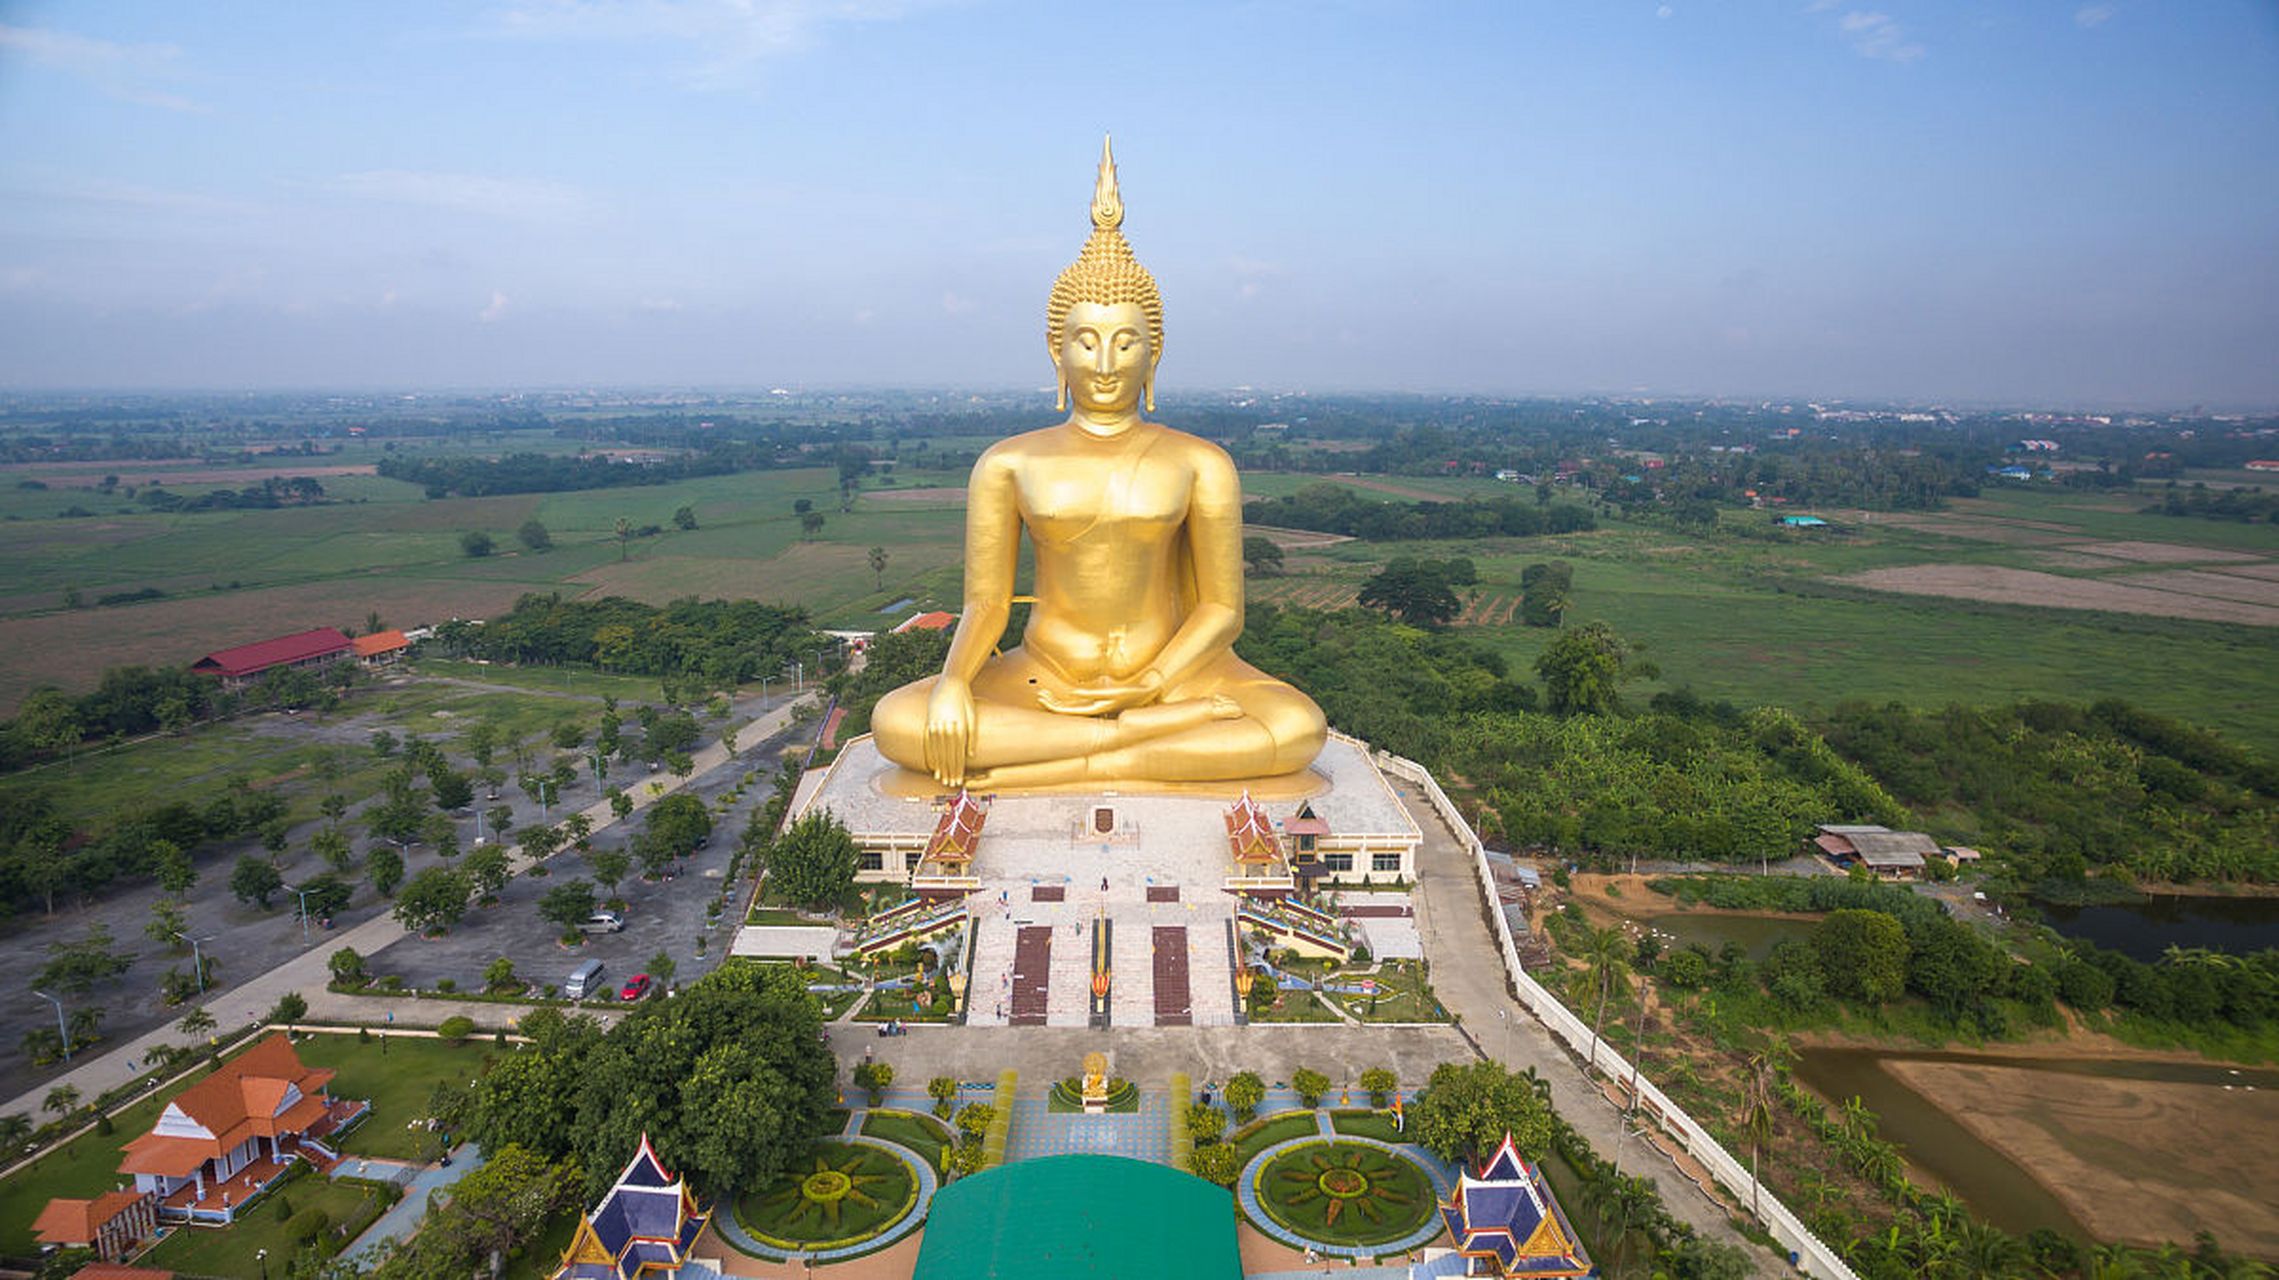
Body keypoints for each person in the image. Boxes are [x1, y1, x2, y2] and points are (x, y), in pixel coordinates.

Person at [870, 139, 1326, 790]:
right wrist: (951, 683)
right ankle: (1124, 744)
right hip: (1045, 673)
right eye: (1085, 342)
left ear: (1154, 353)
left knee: (1296, 727)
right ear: (1056, 354)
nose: (1106, 364)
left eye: (1124, 342)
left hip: (1177, 674)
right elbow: (985, 603)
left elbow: (1223, 609)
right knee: (900, 720)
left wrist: (1152, 684)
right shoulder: (1009, 462)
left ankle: (1077, 755)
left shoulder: (1200, 462)